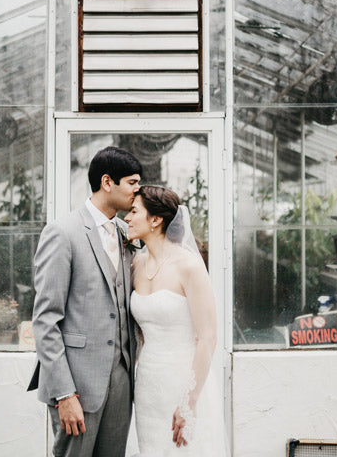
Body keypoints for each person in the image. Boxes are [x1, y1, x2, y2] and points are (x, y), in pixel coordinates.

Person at [28, 146, 143, 457]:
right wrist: (64, 393)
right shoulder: (62, 232)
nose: (138, 190)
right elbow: (46, 318)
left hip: (121, 380)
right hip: (76, 383)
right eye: (132, 182)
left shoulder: (126, 233)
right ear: (108, 182)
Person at [125, 185, 227, 455]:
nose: (127, 218)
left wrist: (188, 400)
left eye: (134, 211)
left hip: (182, 379)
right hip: (147, 384)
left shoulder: (189, 266)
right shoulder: (136, 263)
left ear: (156, 220)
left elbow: (208, 337)